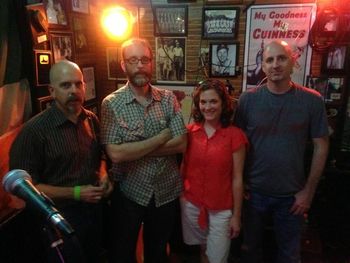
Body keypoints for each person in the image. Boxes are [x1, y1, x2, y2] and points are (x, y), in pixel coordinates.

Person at [235, 40, 329, 263]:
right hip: (253, 194)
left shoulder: (312, 101)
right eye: (269, 60)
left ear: (293, 62)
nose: (275, 64)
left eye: (281, 58)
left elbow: (322, 145)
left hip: (292, 197)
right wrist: (240, 184)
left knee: (289, 255)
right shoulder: (248, 100)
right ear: (263, 66)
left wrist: (308, 191)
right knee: (250, 252)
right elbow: (236, 145)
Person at [9, 60, 113, 262]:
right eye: (66, 85)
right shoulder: (34, 131)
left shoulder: (91, 119)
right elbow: (24, 189)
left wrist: (103, 174)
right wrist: (75, 193)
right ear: (52, 91)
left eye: (78, 84)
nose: (74, 90)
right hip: (57, 219)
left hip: (93, 212)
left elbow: (99, 155)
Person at [101, 38, 187, 263]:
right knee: (122, 252)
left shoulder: (168, 99)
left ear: (151, 63)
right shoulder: (111, 104)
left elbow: (180, 144)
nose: (139, 65)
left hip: (166, 192)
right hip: (129, 192)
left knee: (158, 252)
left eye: (145, 60)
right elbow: (116, 154)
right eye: (133, 60)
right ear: (123, 65)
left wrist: (134, 149)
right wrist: (160, 138)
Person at [181, 79, 247, 263]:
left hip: (221, 210)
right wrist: (182, 196)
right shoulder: (189, 133)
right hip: (192, 205)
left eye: (213, 101)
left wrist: (237, 215)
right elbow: (183, 167)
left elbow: (237, 178)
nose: (207, 107)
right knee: (203, 250)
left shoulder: (235, 136)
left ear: (223, 103)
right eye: (203, 102)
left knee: (217, 257)